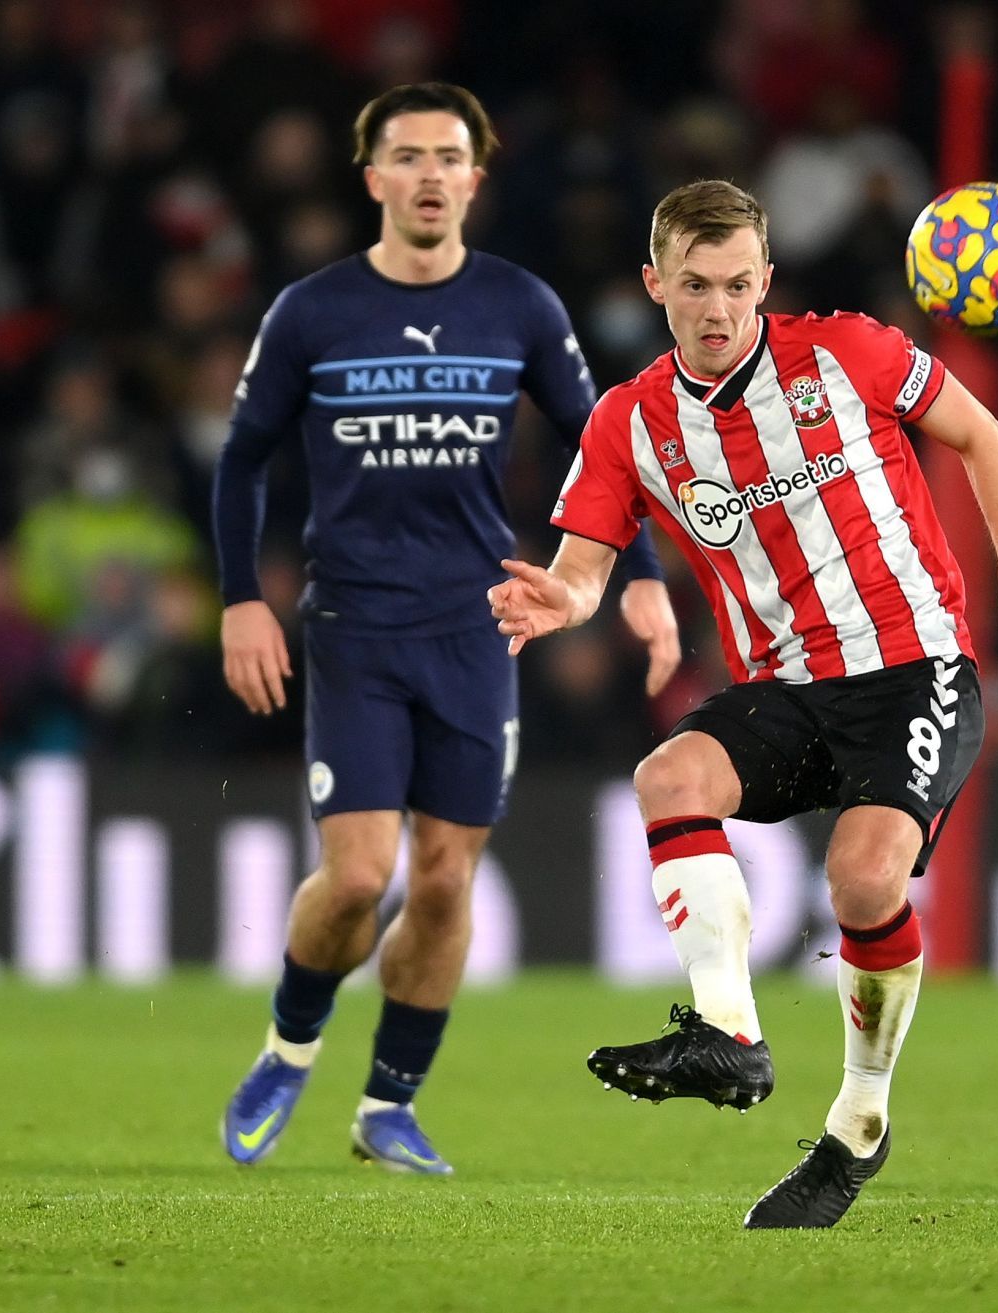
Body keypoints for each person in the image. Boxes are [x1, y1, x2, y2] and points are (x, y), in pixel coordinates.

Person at [487, 180, 998, 1227]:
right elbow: (584, 567)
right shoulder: (630, 422)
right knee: (667, 776)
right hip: (784, 687)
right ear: (654, 285)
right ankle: (732, 1034)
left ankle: (859, 1121)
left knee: (862, 882)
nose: (717, 309)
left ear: (767, 282)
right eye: (694, 286)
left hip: (915, 669)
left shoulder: (848, 352)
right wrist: (561, 598)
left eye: (736, 286)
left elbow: (983, 437)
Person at [213, 83, 681, 1175]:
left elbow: (604, 446)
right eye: (406, 156)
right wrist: (243, 596)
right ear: (371, 176)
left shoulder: (518, 305)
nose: (428, 174)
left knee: (441, 880)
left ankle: (387, 1106)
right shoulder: (313, 311)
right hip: (356, 624)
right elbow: (242, 457)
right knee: (359, 872)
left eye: (448, 157)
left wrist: (643, 575)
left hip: (479, 626)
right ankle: (289, 1045)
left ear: (477, 176)